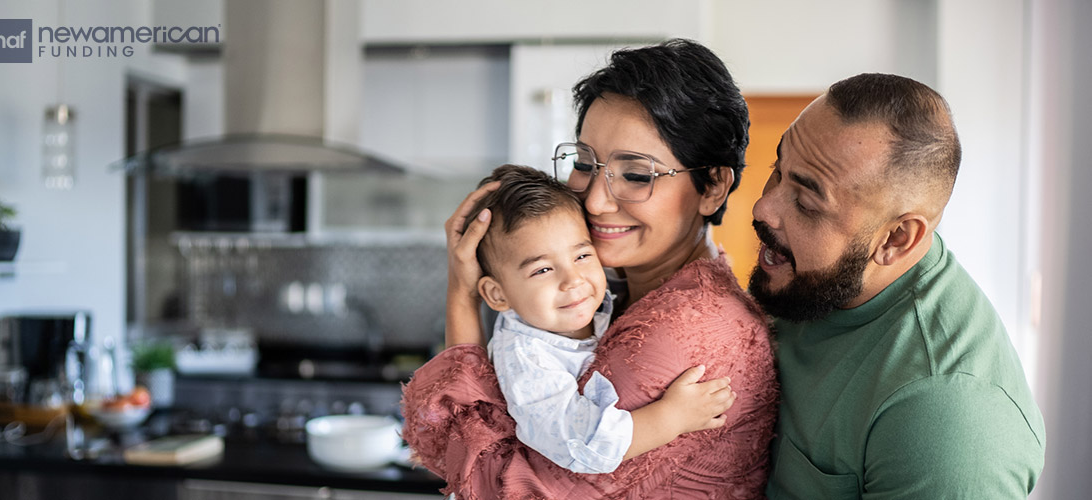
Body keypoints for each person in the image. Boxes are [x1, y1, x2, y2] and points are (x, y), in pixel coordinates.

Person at [401, 39, 778, 499]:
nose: (595, 201)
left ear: (713, 185)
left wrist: (461, 297)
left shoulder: (679, 331)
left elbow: (499, 487)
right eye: (584, 163)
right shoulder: (612, 294)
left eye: (637, 174)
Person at [749, 73, 1046, 498]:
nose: (764, 208)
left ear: (895, 240)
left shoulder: (948, 420)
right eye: (778, 170)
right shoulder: (813, 279)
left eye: (807, 203)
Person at [464, 164, 732, 475]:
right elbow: (581, 444)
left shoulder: (575, 301)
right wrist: (671, 417)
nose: (573, 280)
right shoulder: (527, 362)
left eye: (581, 256)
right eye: (542, 270)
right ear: (498, 295)